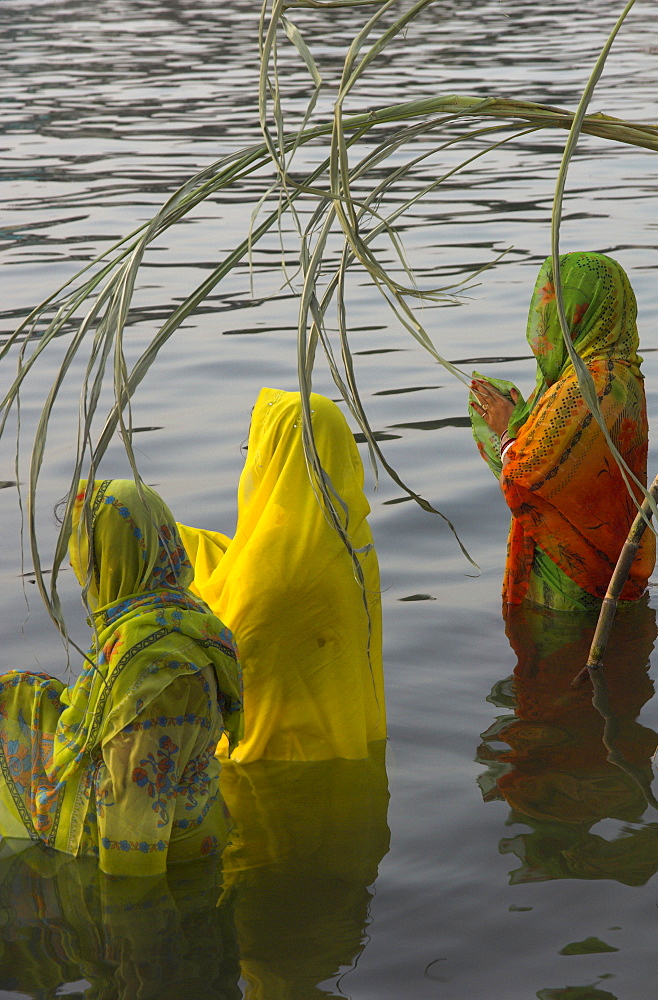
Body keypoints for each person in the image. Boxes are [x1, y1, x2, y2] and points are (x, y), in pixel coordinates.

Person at [0, 479, 243, 876]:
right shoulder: (182, 612)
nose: (77, 566)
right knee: (19, 694)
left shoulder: (152, 668)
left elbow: (134, 828)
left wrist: (125, 924)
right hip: (198, 820)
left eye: (82, 550)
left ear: (110, 556)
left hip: (171, 853)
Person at [177, 387, 386, 763]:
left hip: (275, 763)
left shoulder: (276, 569)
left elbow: (231, 648)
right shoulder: (352, 538)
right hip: (345, 743)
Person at [469, 251, 655, 610]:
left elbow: (527, 475)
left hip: (575, 581)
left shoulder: (587, 386)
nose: (544, 317)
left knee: (555, 654)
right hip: (614, 562)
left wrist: (506, 430)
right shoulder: (622, 372)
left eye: (551, 303)